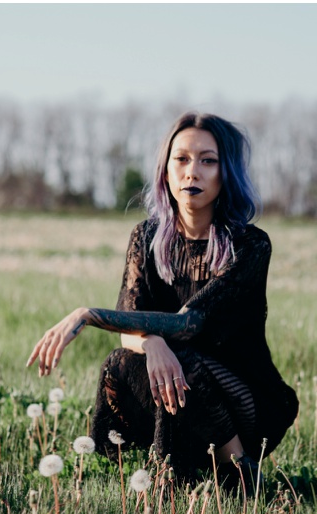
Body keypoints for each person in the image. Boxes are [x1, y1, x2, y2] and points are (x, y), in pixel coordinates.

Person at [25, 112, 299, 488]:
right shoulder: (146, 237)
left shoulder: (250, 246)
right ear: (165, 171)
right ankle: (153, 471)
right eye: (181, 159)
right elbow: (129, 327)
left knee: (182, 362)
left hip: (243, 400)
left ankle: (236, 471)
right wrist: (152, 342)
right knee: (120, 362)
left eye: (208, 160)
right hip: (177, 381)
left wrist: (87, 314)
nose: (192, 172)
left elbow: (188, 325)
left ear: (227, 172)